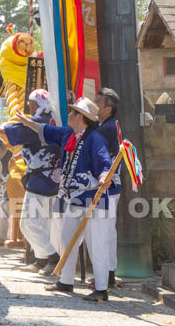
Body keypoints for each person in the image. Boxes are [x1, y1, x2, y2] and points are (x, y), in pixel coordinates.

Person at [9, 97, 113, 302]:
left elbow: (105, 163)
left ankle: (101, 289)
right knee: (66, 239)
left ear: (82, 118)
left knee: (96, 244)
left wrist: (103, 177)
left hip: (94, 199)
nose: (70, 115)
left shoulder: (95, 139)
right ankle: (66, 281)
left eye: (74, 113)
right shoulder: (67, 134)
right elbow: (44, 130)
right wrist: (26, 121)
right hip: (73, 199)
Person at [0, 89, 62, 272]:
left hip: (40, 180)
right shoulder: (51, 121)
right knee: (43, 223)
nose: (29, 106)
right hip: (51, 178)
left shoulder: (37, 123)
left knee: (27, 223)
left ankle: (53, 256)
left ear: (40, 104)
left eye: (32, 103)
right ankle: (42, 261)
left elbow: (12, 130)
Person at [94, 87, 122, 288]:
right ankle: (108, 272)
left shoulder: (106, 129)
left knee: (105, 231)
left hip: (108, 185)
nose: (95, 105)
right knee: (108, 230)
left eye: (98, 103)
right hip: (112, 184)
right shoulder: (110, 124)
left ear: (108, 108)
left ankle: (107, 274)